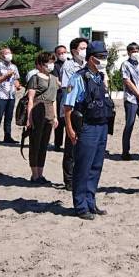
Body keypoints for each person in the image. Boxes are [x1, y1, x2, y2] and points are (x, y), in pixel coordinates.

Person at [63, 40, 114, 220]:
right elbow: (68, 106)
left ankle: (91, 202)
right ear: (91, 59)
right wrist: (69, 129)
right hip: (87, 128)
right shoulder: (77, 78)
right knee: (83, 167)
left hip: (101, 126)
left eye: (105, 57)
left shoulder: (100, 77)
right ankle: (80, 206)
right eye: (101, 57)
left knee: (96, 166)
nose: (104, 60)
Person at [24, 51, 60, 184]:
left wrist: (55, 116)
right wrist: (29, 118)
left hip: (49, 111)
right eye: (48, 63)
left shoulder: (54, 79)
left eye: (52, 62)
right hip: (37, 111)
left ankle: (41, 173)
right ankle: (34, 175)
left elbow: (54, 99)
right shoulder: (35, 78)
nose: (50, 65)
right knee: (35, 144)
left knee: (44, 144)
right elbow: (31, 99)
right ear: (40, 64)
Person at [59, 37, 88, 190]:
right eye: (82, 48)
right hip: (72, 108)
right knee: (71, 144)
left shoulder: (87, 64)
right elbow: (66, 88)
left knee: (82, 144)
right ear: (74, 50)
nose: (85, 50)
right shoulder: (68, 66)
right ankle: (68, 179)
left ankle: (79, 174)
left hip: (85, 109)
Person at [120, 42, 139, 160]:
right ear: (128, 52)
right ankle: (125, 151)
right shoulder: (125, 64)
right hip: (131, 99)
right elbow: (127, 81)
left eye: (137, 50)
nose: (135, 53)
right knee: (129, 124)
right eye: (133, 51)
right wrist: (137, 93)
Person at [0, 47, 21, 144]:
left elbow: (16, 79)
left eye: (10, 53)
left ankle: (7, 136)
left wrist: (18, 85)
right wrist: (6, 76)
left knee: (9, 117)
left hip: (11, 95)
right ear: (2, 55)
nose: (9, 55)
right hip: (1, 95)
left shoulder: (14, 67)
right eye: (6, 53)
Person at [51, 44, 68, 151]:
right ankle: (57, 144)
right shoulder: (55, 66)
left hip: (71, 94)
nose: (62, 55)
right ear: (56, 55)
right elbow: (56, 80)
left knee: (70, 119)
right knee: (59, 120)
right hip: (60, 94)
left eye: (64, 52)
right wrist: (65, 86)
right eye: (60, 53)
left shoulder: (71, 63)